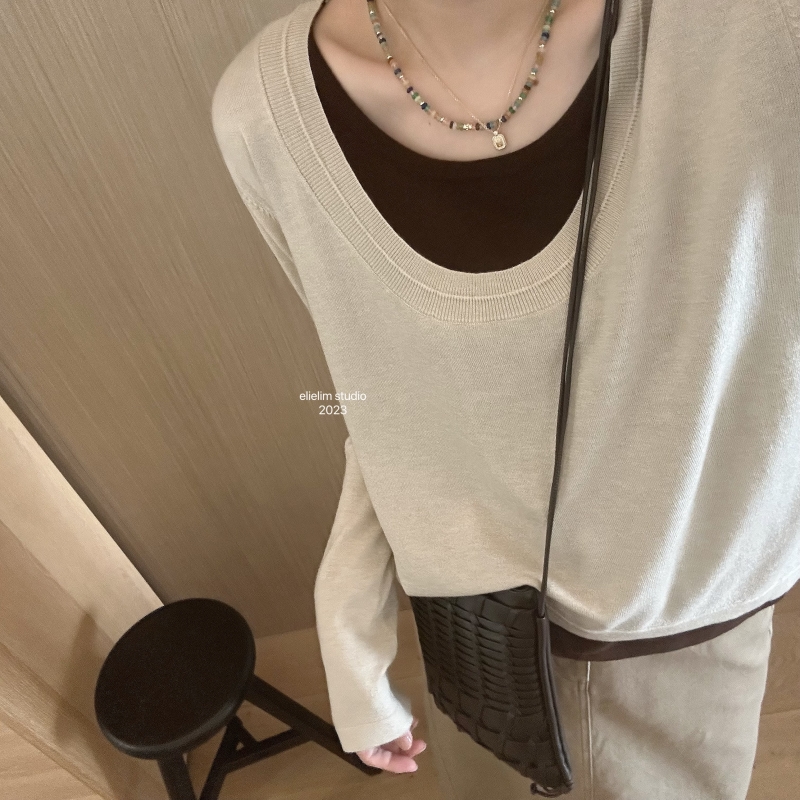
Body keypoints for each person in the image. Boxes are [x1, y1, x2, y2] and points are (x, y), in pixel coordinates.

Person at [212, 0, 800, 797]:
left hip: (690, 646)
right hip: (474, 646)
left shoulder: (758, 28)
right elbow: (389, 410)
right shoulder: (263, 115)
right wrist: (349, 619)